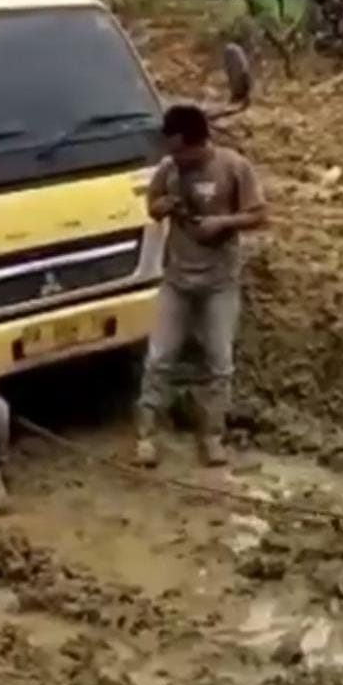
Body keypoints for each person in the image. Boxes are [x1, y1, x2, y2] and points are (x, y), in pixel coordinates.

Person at [135, 104, 268, 468]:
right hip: (176, 280)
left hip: (218, 283)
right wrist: (163, 205)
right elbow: (152, 205)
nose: (174, 158)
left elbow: (260, 214)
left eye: (180, 151)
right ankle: (146, 435)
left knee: (219, 362)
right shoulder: (169, 170)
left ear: (199, 143)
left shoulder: (233, 167)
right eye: (170, 150)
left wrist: (223, 223)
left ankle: (212, 435)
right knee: (159, 358)